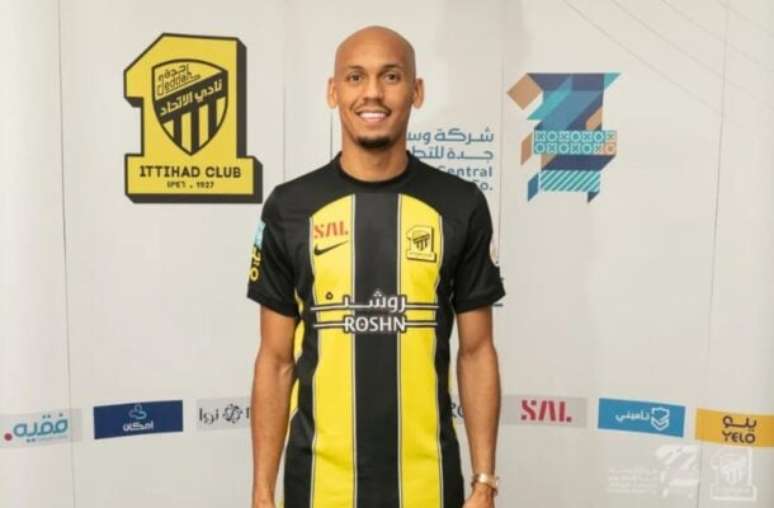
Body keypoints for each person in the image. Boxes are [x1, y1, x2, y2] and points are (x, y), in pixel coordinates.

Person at [247, 25, 504, 508]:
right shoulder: (289, 207)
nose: (372, 93)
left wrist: (484, 480)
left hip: (429, 487)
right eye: (355, 77)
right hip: (318, 488)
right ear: (333, 91)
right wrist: (262, 491)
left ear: (416, 91)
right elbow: (276, 361)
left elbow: (476, 352)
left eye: (390, 76)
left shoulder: (460, 204)